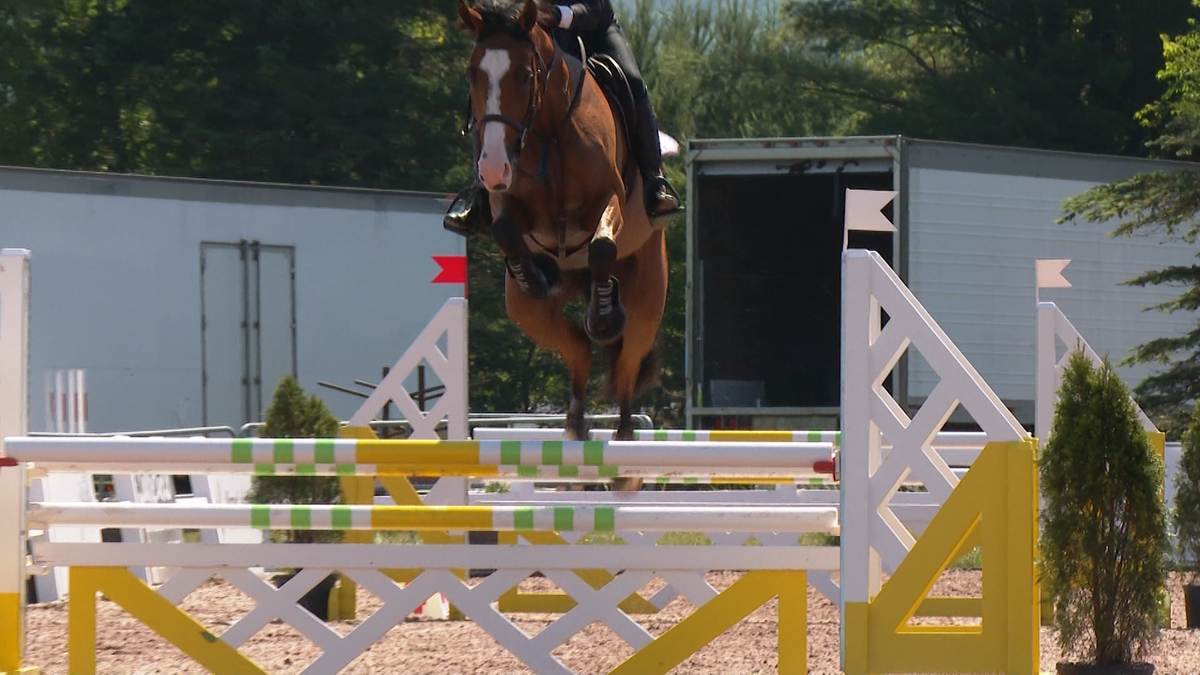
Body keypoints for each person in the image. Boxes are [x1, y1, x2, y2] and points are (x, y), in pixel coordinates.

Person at [444, 0, 682, 238]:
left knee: (633, 80)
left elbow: (596, 7)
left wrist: (558, 14)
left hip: (595, 29)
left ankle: (654, 183)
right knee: (493, 87)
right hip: (539, 34)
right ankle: (480, 196)